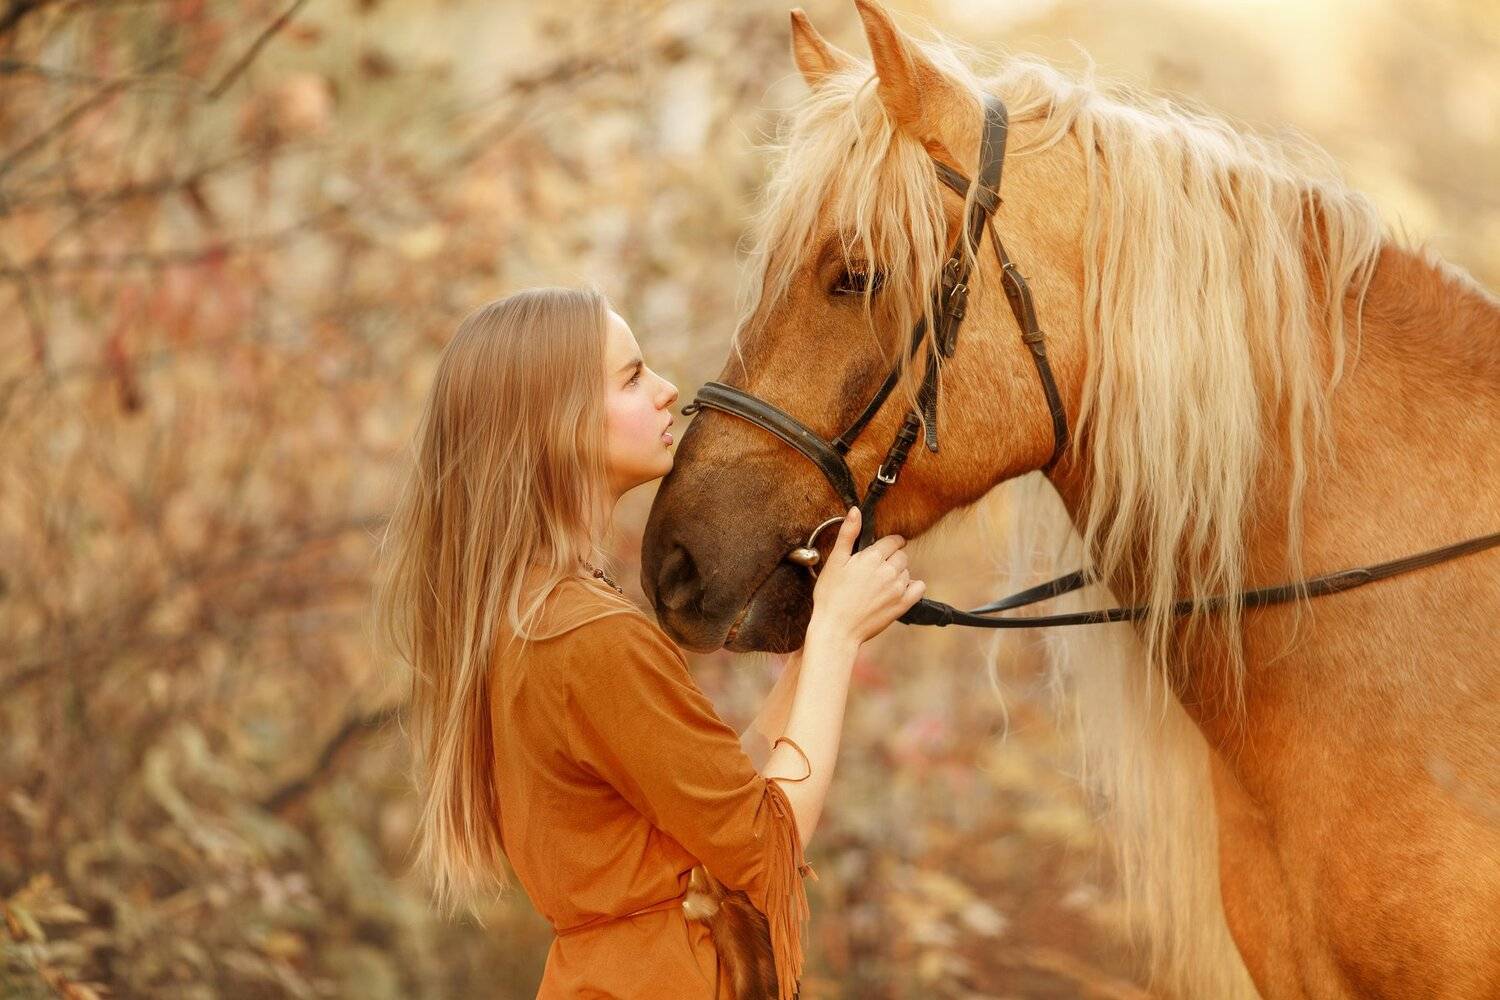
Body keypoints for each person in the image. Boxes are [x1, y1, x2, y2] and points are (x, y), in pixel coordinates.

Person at [374, 286, 924, 999]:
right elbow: (766, 841)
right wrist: (838, 639)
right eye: (633, 378)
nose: (669, 393)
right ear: (557, 425)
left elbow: (719, 797)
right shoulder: (588, 637)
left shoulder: (541, 618)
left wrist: (815, 639)